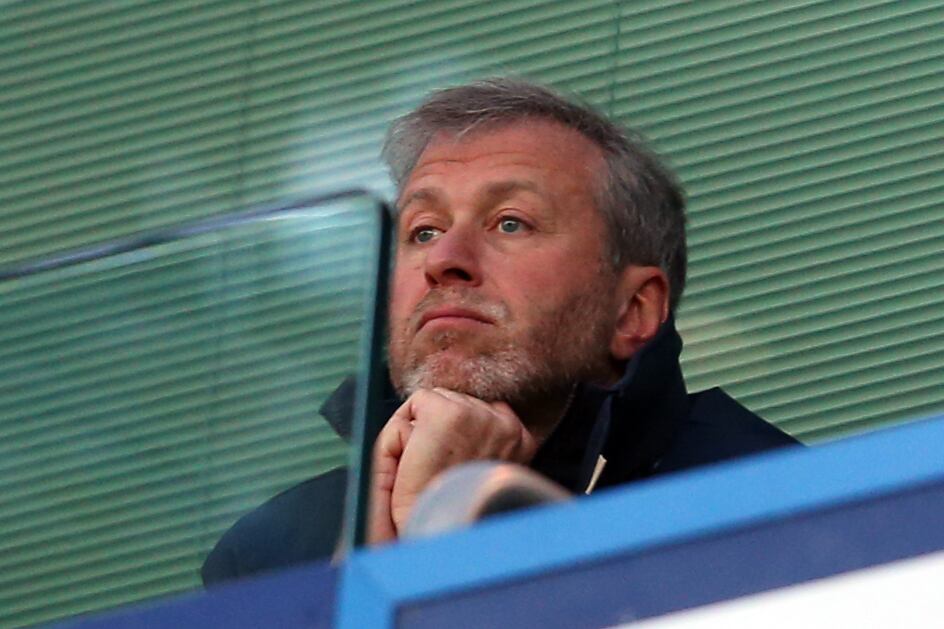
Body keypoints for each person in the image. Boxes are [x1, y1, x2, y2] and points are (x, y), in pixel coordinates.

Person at [201, 78, 799, 584]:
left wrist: (449, 542)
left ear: (633, 312)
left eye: (510, 223)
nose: (444, 260)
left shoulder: (773, 508)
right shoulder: (269, 555)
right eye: (424, 231)